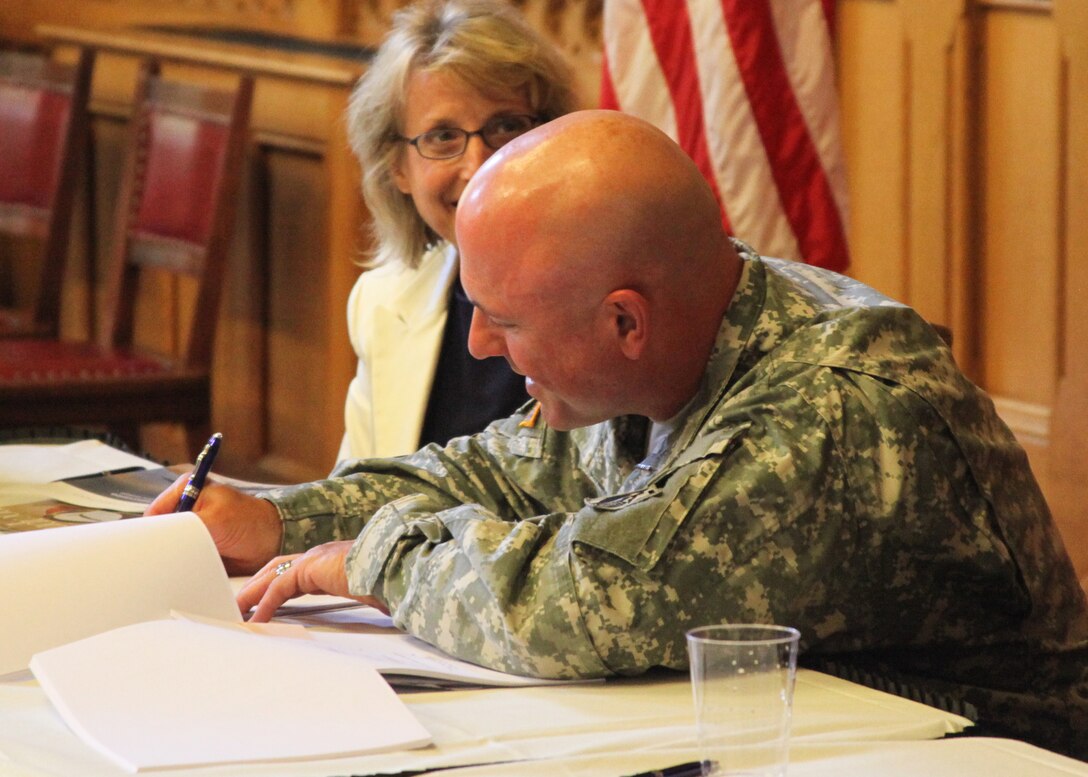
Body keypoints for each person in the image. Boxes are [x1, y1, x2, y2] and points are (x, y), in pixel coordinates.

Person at [148, 110, 1088, 759]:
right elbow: (498, 472)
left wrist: (370, 557)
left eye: (502, 320)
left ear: (624, 322)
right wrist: (282, 521)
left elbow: (576, 602)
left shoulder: (833, 408)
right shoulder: (679, 335)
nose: (478, 343)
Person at [336, 0, 577, 461]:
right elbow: (352, 495)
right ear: (398, 170)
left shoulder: (602, 304)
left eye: (506, 126)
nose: (480, 167)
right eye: (443, 136)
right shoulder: (382, 300)